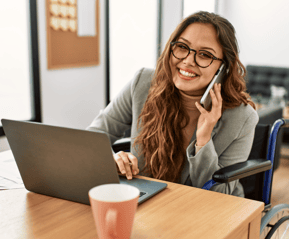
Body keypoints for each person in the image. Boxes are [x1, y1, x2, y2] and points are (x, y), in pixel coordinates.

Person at [87, 11, 258, 197]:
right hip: (146, 204)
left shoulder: (242, 117)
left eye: (205, 55)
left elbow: (220, 194)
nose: (188, 61)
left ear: (223, 67)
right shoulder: (142, 84)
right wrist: (111, 158)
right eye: (182, 47)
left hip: (203, 213)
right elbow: (92, 136)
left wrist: (204, 140)